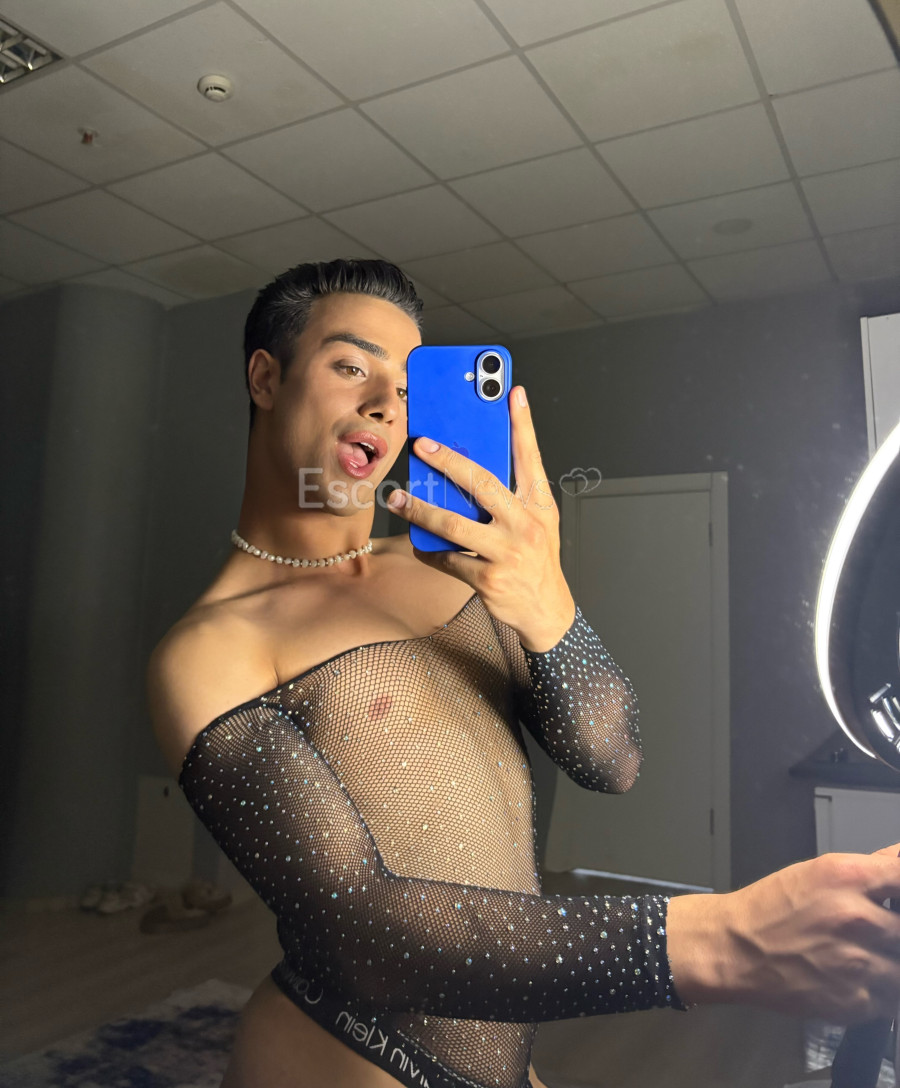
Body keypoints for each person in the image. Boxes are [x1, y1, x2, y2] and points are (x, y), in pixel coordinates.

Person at [146, 259, 900, 1088]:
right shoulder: (209, 650)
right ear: (266, 377)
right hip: (343, 1055)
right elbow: (361, 932)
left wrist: (552, 608)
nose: (386, 404)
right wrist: (717, 940)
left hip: (507, 1059)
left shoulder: (456, 571)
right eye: (352, 366)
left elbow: (610, 761)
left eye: (409, 386)